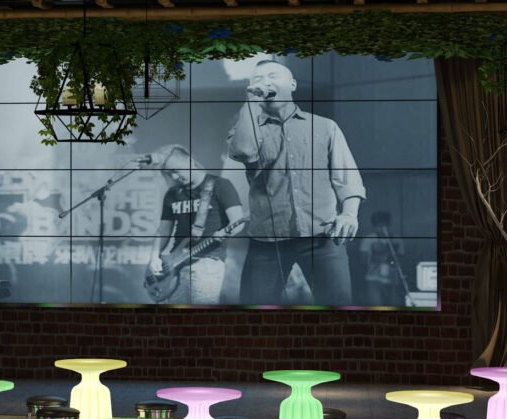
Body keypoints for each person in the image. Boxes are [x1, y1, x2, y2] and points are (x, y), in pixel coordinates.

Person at [226, 57, 366, 306]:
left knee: (338, 306)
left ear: (292, 84)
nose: (264, 82)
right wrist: (251, 102)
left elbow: (347, 176)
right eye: (257, 79)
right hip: (267, 240)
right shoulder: (245, 126)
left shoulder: (325, 127)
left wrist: (349, 214)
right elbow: (245, 151)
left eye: (272, 77)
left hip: (322, 236)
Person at [145, 145, 245, 305]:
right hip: (174, 264)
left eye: (176, 170)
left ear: (190, 161)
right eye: (170, 174)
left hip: (207, 261)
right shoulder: (172, 194)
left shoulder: (220, 185)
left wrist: (225, 234)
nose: (175, 177)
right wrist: (154, 257)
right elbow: (164, 229)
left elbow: (238, 222)